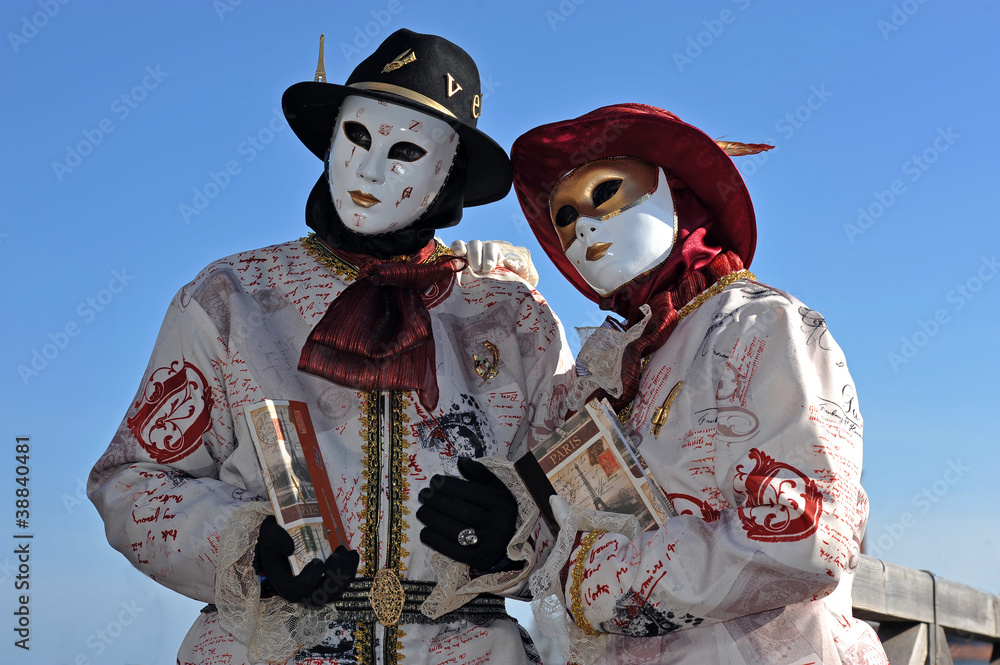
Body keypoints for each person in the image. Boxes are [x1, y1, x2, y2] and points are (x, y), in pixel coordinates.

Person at [88, 29, 572, 665]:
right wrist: (244, 544)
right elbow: (133, 480)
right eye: (357, 136)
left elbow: (590, 501)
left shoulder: (512, 319)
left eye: (404, 151)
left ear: (447, 174)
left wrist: (516, 530)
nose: (369, 169)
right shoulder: (231, 299)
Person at [509, 104, 888, 665]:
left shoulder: (760, 325)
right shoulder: (613, 372)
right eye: (563, 217)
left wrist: (602, 581)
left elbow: (811, 536)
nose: (582, 226)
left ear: (675, 192)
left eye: (605, 194)